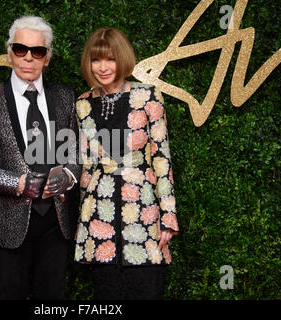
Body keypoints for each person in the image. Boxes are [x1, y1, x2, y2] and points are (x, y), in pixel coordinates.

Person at [0, 16, 80, 300]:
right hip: (7, 220)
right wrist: (17, 182)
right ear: (9, 53)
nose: (28, 57)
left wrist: (68, 175)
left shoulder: (65, 97)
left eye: (37, 51)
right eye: (20, 49)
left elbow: (75, 151)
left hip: (57, 220)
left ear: (47, 57)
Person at [74, 27, 179, 300]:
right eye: (96, 60)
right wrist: (83, 224)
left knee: (146, 290)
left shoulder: (148, 97)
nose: (103, 67)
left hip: (143, 215)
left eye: (110, 59)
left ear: (123, 59)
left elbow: (161, 159)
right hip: (99, 218)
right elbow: (87, 167)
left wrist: (167, 217)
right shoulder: (82, 104)